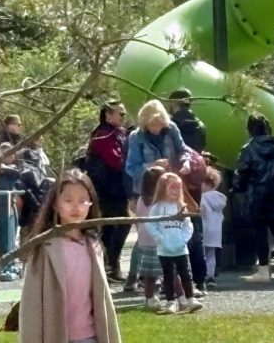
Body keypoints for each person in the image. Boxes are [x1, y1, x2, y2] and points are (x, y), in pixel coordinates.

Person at [19, 169, 122, 343]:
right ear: (55, 204)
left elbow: (103, 299)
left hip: (91, 337)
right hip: (57, 336)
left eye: (83, 201)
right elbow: (32, 304)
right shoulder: (45, 248)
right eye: (68, 200)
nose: (76, 207)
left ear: (91, 204)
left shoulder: (93, 245)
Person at [233, 114, 274, 282]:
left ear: (250, 129)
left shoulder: (248, 148)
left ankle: (264, 271)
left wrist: (238, 188)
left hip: (255, 194)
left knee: (260, 232)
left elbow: (241, 172)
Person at [84, 101, 131, 283]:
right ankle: (109, 264)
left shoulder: (118, 133)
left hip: (117, 189)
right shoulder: (102, 135)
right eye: (121, 114)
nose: (123, 117)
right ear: (108, 115)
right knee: (115, 225)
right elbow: (115, 160)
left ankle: (110, 265)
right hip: (105, 190)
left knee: (113, 227)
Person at [146, 172, 201, 315]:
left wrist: (183, 239)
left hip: (181, 248)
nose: (176, 190)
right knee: (168, 275)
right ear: (163, 187)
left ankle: (190, 299)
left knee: (186, 274)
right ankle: (171, 302)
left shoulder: (181, 206)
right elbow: (150, 225)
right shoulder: (157, 207)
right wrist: (160, 238)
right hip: (164, 249)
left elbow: (188, 225)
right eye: (173, 187)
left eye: (179, 187)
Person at [126, 99, 189, 196]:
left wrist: (185, 162)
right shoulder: (136, 137)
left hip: (171, 187)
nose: (156, 128)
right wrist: (153, 165)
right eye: (152, 125)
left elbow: (183, 150)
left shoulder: (171, 129)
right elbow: (131, 168)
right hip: (149, 192)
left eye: (159, 123)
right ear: (144, 123)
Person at [132, 166, 167, 309]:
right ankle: (153, 297)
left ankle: (150, 298)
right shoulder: (158, 201)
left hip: (144, 239)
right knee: (157, 272)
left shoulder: (141, 199)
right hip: (156, 240)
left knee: (149, 273)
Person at [199, 167, 227, 289]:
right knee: (211, 254)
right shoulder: (221, 198)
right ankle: (210, 276)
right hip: (215, 231)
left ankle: (202, 275)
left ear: (206, 183)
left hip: (203, 229)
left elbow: (201, 212)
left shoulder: (202, 197)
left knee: (201, 254)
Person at [167, 89, 207, 153]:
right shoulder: (200, 125)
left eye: (170, 102)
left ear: (174, 102)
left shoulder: (172, 123)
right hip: (194, 157)